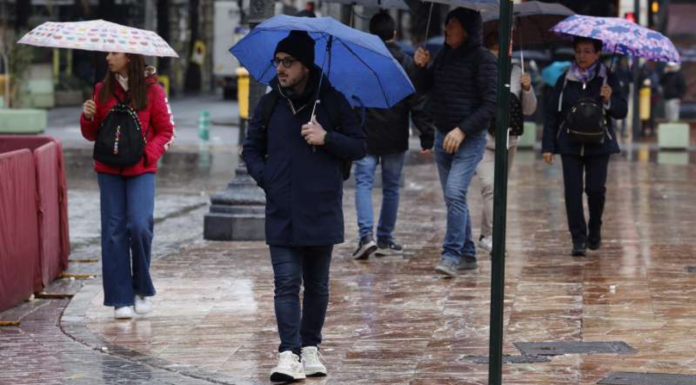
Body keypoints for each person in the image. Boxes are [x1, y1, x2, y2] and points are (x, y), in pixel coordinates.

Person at [242, 31, 366, 382]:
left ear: (306, 66)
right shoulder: (270, 103)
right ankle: (288, 352)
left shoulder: (333, 103)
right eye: (277, 61)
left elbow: (358, 146)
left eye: (288, 62)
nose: (280, 68)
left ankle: (310, 347)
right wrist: (268, 179)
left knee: (317, 285)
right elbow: (251, 149)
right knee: (285, 282)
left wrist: (326, 138)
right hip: (281, 208)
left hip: (321, 207)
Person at [80, 53, 175, 319]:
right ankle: (120, 298)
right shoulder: (102, 89)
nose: (108, 57)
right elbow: (92, 134)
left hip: (141, 169)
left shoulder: (153, 90)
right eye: (107, 53)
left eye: (114, 53)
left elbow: (166, 131)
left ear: (130, 57)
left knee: (140, 225)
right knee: (113, 231)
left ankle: (141, 289)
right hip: (108, 168)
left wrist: (147, 155)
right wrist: (87, 117)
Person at [413, 8, 497, 277]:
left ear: (468, 29)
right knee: (454, 199)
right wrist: (421, 67)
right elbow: (427, 88)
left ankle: (450, 255)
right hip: (442, 136)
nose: (447, 28)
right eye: (447, 23)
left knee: (454, 193)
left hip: (469, 139)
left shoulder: (483, 59)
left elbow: (491, 105)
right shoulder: (444, 55)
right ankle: (468, 255)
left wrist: (462, 130)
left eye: (453, 24)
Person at [352, 12, 435, 260]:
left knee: (364, 184)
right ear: (395, 34)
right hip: (395, 135)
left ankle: (366, 237)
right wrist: (426, 134)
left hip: (364, 133)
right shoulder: (406, 62)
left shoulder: (362, 61)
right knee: (391, 188)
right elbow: (417, 101)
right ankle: (385, 239)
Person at [542, 37, 627, 257]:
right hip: (569, 144)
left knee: (595, 190)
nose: (582, 55)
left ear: (598, 54)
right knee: (572, 192)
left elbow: (622, 111)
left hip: (599, 144)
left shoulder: (609, 79)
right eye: (578, 51)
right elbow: (552, 113)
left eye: (588, 51)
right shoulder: (565, 79)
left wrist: (609, 100)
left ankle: (595, 228)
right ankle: (578, 239)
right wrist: (548, 146)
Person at [475, 31, 537, 252]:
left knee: (498, 189)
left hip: (510, 140)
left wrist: (527, 89)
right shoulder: (481, 71)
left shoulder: (517, 72)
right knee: (490, 186)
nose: (499, 53)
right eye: (494, 47)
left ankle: (486, 234)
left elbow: (529, 110)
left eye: (503, 48)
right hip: (484, 140)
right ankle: (496, 237)